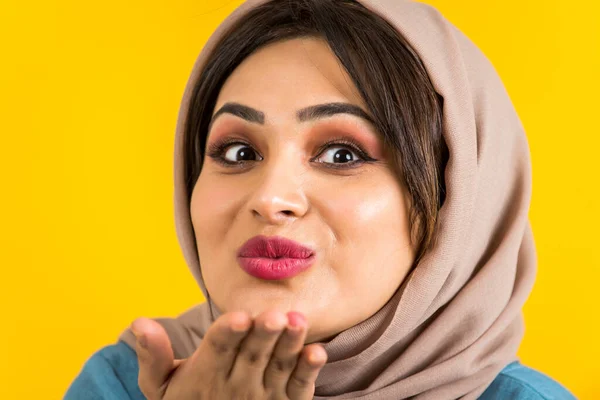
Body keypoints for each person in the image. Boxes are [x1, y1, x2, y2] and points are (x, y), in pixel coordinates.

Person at [64, 0, 577, 399]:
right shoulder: (125, 384)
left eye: (341, 154)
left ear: (455, 203)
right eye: (238, 150)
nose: (271, 198)